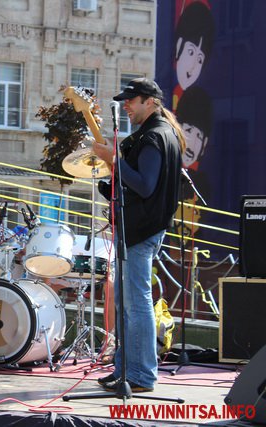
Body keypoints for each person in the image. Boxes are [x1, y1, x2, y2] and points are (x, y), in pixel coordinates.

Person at [92, 78, 184, 392]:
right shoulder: (158, 133)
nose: (126, 107)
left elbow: (145, 185)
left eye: (131, 101)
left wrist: (113, 160)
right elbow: (142, 186)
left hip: (141, 231)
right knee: (128, 303)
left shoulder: (155, 136)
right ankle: (125, 370)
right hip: (140, 227)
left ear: (149, 101)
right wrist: (112, 186)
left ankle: (141, 376)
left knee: (137, 303)